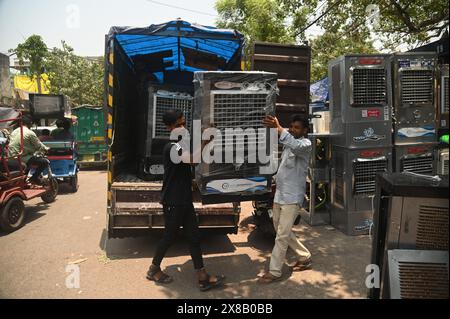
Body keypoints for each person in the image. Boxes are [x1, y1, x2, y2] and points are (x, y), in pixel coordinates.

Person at [146, 109, 225, 291]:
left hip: (183, 199)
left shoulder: (180, 145)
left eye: (183, 123)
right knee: (169, 236)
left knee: (194, 237)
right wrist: (206, 140)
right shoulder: (172, 147)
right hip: (173, 201)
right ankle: (153, 269)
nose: (182, 127)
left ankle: (202, 276)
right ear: (169, 128)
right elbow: (193, 160)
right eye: (178, 125)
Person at [258, 114, 312, 283]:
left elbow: (294, 145)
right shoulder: (289, 145)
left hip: (292, 197)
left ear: (305, 130)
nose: (292, 129)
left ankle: (274, 271)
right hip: (280, 194)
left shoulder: (305, 144)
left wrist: (278, 128)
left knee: (281, 235)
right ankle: (305, 256)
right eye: (292, 126)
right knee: (280, 229)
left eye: (297, 127)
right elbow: (283, 169)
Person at [8, 115, 49, 184]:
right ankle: (33, 179)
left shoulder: (14, 131)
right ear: (29, 123)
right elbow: (38, 145)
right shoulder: (29, 133)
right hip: (22, 157)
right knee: (45, 162)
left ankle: (26, 180)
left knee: (31, 161)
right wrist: (47, 149)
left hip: (11, 157)